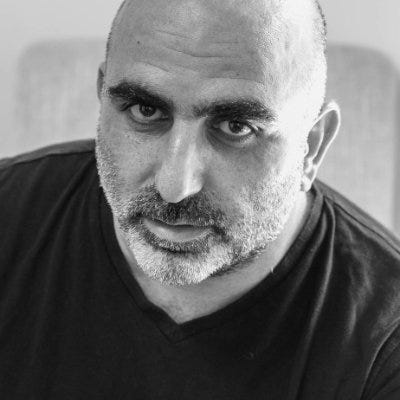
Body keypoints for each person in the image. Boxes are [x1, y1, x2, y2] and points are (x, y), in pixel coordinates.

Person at [1, 0, 400, 398]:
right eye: (145, 110)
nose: (174, 187)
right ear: (103, 98)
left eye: (236, 126)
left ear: (312, 147)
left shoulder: (385, 344)